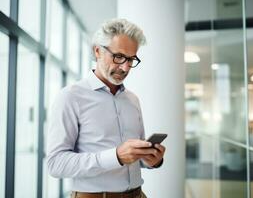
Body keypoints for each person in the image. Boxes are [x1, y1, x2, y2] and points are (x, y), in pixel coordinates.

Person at [47, 18, 166, 198]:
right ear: (98, 51)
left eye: (131, 59)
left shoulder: (133, 100)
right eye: (119, 57)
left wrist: (152, 160)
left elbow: (135, 159)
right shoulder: (71, 97)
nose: (125, 67)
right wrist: (115, 156)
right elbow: (56, 164)